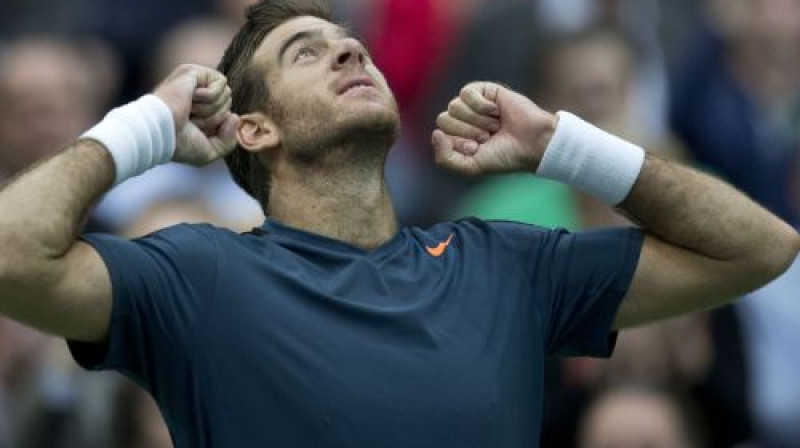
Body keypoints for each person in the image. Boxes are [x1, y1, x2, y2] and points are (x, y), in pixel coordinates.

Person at [0, 1, 797, 447]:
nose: (352, 56)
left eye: (354, 47)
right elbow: (11, 258)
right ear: (254, 129)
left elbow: (760, 247)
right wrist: (142, 125)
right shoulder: (195, 276)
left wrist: (566, 147)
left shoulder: (509, 265)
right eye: (307, 55)